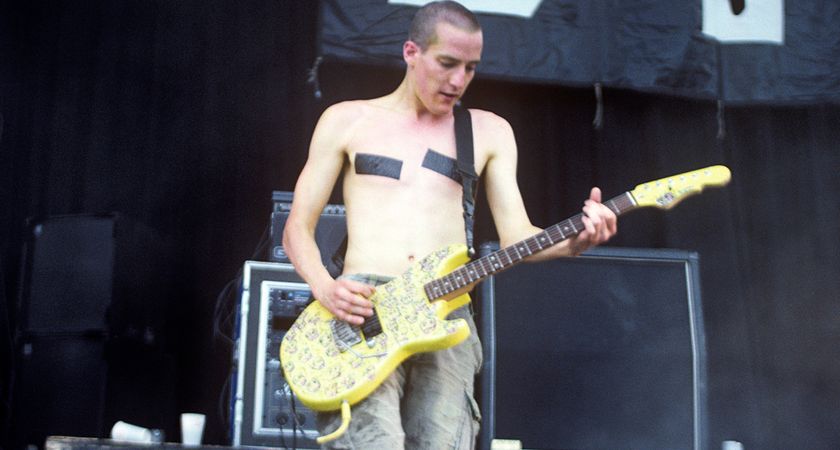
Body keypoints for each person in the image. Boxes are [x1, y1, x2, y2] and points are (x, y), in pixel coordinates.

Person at [282, 1, 618, 448]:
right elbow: (296, 228)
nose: (458, 80)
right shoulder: (347, 120)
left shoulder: (489, 131)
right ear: (411, 52)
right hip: (363, 308)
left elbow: (518, 237)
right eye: (447, 63)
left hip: (445, 311)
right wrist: (326, 287)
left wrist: (578, 241)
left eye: (471, 68)